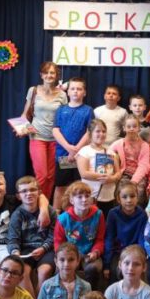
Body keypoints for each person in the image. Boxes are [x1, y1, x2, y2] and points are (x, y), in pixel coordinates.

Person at [0, 170, 49, 276]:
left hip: (6, 246)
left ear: (5, 190)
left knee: (6, 267)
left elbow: (41, 196)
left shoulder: (13, 201)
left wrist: (44, 211)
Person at [18, 60, 67, 200]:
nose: (49, 75)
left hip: (56, 140)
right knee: (42, 175)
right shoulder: (33, 90)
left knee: (51, 176)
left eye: (52, 73)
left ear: (56, 75)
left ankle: (44, 203)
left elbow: (64, 117)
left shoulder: (62, 95)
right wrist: (24, 129)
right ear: (41, 74)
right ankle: (38, 203)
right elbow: (24, 114)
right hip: (37, 137)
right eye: (46, 72)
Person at [6, 175, 57, 297]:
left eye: (32, 190)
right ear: (18, 196)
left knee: (44, 272)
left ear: (39, 192)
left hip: (46, 249)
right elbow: (13, 238)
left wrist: (43, 248)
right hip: (26, 250)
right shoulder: (17, 215)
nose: (29, 194)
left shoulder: (50, 211)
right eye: (24, 191)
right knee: (22, 272)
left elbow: (54, 235)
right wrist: (15, 252)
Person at [53, 181, 106, 290]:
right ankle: (62, 294)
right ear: (72, 200)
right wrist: (64, 256)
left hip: (89, 253)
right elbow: (58, 242)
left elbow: (100, 239)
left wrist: (95, 252)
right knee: (61, 269)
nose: (84, 199)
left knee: (93, 268)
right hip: (70, 253)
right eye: (79, 197)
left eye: (87, 196)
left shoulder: (98, 214)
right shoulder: (63, 218)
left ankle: (91, 295)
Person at [52, 76, 94, 211]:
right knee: (60, 186)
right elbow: (55, 130)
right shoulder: (61, 109)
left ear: (84, 92)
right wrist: (69, 148)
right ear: (68, 92)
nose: (76, 91)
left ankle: (79, 212)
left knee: (79, 186)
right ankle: (56, 215)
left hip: (81, 156)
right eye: (73, 89)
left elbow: (89, 131)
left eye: (79, 89)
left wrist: (76, 150)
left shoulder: (88, 110)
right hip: (63, 155)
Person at [104, 181, 148, 281]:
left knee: (137, 270)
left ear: (137, 197)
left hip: (135, 252)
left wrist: (142, 257)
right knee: (115, 270)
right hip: (118, 252)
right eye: (124, 197)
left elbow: (142, 239)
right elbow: (109, 239)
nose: (129, 200)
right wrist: (106, 264)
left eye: (132, 196)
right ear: (118, 199)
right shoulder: (113, 214)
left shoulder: (142, 215)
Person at [76, 118, 122, 211]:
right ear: (90, 133)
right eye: (98, 131)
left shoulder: (111, 152)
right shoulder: (84, 151)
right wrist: (104, 177)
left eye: (104, 131)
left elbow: (118, 173)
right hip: (91, 196)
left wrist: (112, 178)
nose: (101, 134)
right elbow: (84, 173)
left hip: (109, 196)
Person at [109, 114, 150, 205]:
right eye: (128, 126)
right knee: (121, 191)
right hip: (124, 174)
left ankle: (137, 211)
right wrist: (116, 161)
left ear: (139, 128)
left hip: (138, 175)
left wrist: (134, 181)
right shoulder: (119, 143)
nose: (131, 129)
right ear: (124, 128)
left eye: (134, 126)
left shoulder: (144, 145)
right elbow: (109, 153)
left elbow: (144, 165)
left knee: (137, 193)